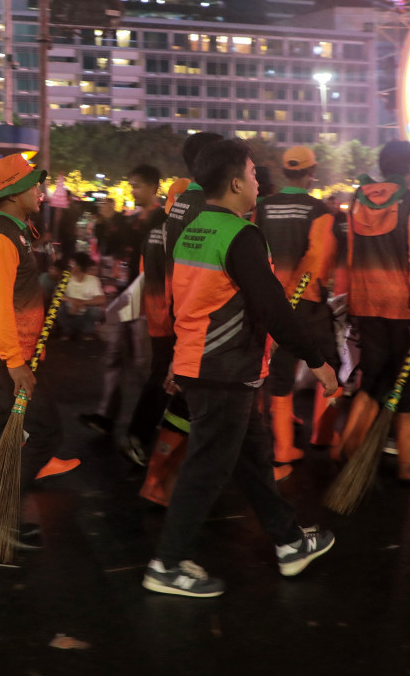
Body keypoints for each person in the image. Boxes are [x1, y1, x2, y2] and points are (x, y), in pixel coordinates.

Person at [142, 139, 337, 597]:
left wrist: (177, 356)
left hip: (204, 363)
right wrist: (317, 359)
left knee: (251, 458)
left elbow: (184, 301)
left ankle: (290, 541)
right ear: (234, 182)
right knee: (206, 468)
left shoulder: (193, 227)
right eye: (252, 173)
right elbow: (272, 307)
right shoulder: (239, 235)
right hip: (224, 370)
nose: (256, 181)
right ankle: (166, 564)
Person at [336, 139, 410, 483]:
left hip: (366, 306)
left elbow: (351, 258)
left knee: (373, 380)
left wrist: (353, 304)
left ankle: (350, 449)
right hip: (405, 310)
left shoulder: (358, 203)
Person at [0, 154, 56, 547]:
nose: (38, 190)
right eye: (32, 184)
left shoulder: (14, 231)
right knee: (44, 431)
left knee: (10, 437)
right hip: (4, 361)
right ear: (13, 193)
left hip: (7, 358)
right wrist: (16, 363)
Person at [136, 132, 222, 504]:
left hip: (183, 323)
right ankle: (160, 482)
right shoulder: (211, 208)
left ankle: (163, 480)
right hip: (205, 327)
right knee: (193, 403)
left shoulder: (177, 209)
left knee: (197, 405)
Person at [254, 146, 340, 475]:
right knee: (329, 365)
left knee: (280, 374)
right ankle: (323, 434)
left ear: (285, 171)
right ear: (311, 171)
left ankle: (283, 449)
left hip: (270, 301)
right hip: (305, 303)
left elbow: (256, 254)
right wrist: (296, 299)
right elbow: (316, 261)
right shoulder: (318, 210)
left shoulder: (264, 207)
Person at [80, 164, 163, 451]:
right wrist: (106, 222)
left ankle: (147, 424)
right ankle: (106, 416)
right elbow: (112, 246)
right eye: (131, 185)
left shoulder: (162, 219)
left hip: (147, 301)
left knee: (143, 365)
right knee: (114, 357)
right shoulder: (130, 220)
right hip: (126, 297)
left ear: (154, 187)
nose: (132, 190)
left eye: (137, 185)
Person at [56, 252, 105, 338]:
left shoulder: (93, 280)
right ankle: (67, 331)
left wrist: (82, 303)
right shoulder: (66, 278)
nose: (69, 266)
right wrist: (73, 301)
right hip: (69, 313)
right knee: (58, 307)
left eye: (72, 264)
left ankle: (86, 333)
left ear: (78, 267)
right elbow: (56, 295)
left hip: (85, 316)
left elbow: (101, 299)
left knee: (95, 310)